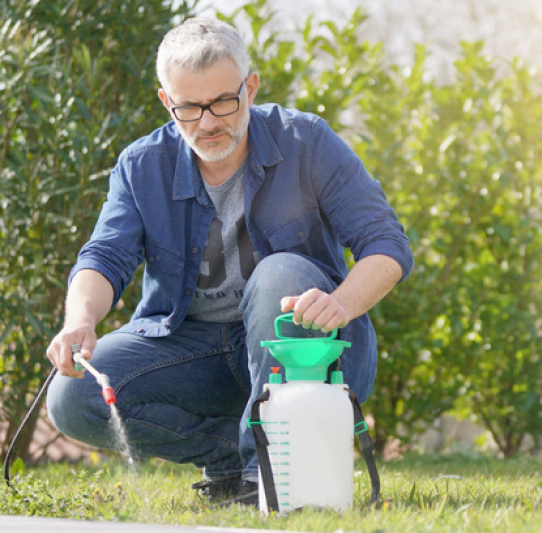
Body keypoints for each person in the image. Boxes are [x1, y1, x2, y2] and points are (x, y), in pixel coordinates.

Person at [45, 17, 413, 506]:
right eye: (189, 108)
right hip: (197, 353)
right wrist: (79, 321)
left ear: (251, 87)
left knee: (279, 273)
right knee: (71, 399)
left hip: (308, 352)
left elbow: (387, 244)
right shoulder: (141, 165)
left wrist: (342, 304)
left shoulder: (306, 141)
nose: (208, 122)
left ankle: (265, 473)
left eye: (223, 101)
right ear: (165, 101)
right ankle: (235, 461)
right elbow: (105, 256)